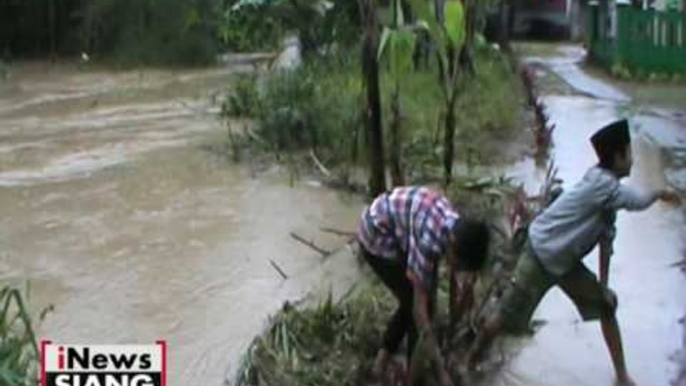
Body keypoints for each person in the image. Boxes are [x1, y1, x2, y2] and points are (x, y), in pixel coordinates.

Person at [467, 119, 681, 386]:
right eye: (630, 153)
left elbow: (606, 246)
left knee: (607, 307)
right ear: (618, 157)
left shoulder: (608, 196)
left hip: (565, 262)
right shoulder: (604, 186)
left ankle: (622, 376)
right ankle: (472, 359)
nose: (633, 161)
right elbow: (636, 202)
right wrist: (660, 192)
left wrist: (603, 287)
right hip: (540, 254)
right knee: (506, 317)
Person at [357, 186, 491, 386]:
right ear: (452, 246)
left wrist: (458, 311)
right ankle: (411, 378)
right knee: (416, 306)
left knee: (416, 300)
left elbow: (455, 277)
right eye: (458, 264)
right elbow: (419, 310)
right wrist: (441, 370)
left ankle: (380, 363)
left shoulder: (456, 226)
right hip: (376, 237)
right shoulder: (429, 242)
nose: (456, 268)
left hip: (398, 226)